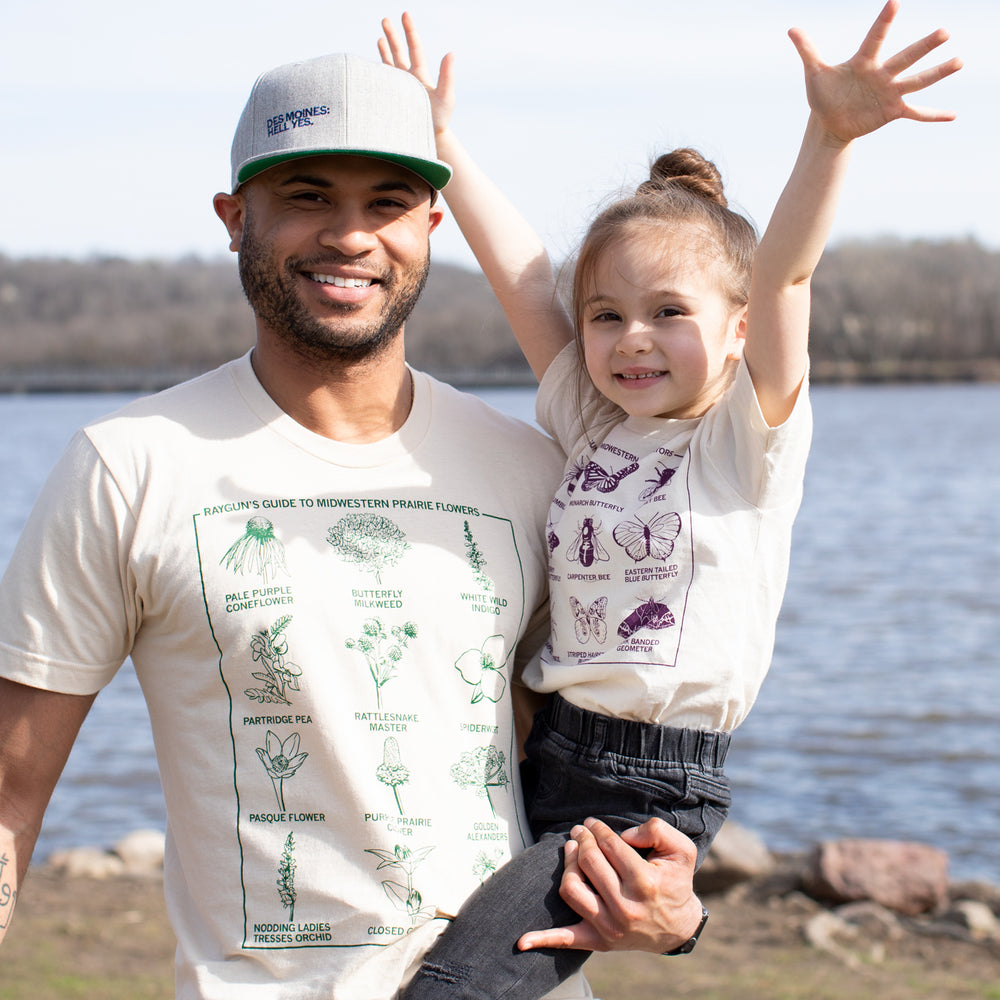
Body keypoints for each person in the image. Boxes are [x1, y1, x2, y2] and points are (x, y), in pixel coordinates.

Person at [0, 49, 708, 1000]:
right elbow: (9, 795)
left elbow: (585, 760)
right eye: (306, 196)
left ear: (430, 225)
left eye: (385, 201)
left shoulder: (534, 469)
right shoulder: (130, 465)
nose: (349, 235)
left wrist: (675, 913)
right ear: (234, 218)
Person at [379, 4, 962, 998]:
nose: (630, 339)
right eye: (606, 315)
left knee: (455, 990)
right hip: (544, 746)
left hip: (639, 791)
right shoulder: (593, 422)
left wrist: (827, 138)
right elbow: (525, 279)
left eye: (667, 313)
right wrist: (441, 149)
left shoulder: (743, 442)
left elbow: (783, 275)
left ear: (735, 335)